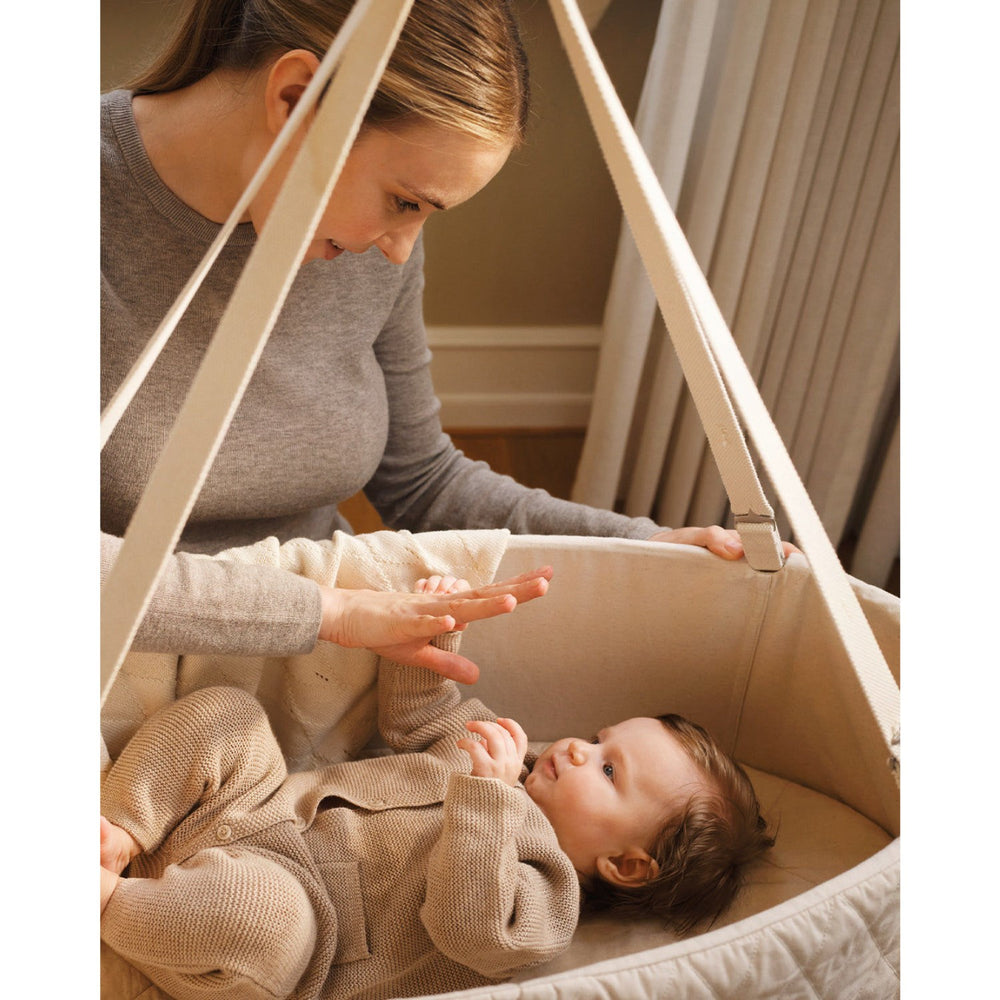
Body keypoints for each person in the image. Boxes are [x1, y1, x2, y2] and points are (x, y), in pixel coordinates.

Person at [101, 0, 796, 679]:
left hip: (313, 671)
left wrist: (648, 546)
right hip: (125, 665)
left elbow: (423, 480)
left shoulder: (359, 242)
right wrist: (330, 612)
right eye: (405, 202)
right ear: (296, 99)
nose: (401, 250)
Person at [100, 574, 773, 1000]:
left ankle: (106, 900)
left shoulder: (545, 904)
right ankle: (119, 829)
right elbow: (421, 716)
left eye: (607, 770)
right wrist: (434, 633)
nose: (577, 748)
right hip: (250, 809)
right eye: (599, 738)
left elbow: (466, 926)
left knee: (267, 920)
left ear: (625, 865)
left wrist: (492, 797)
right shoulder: (502, 754)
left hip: (286, 926)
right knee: (230, 715)